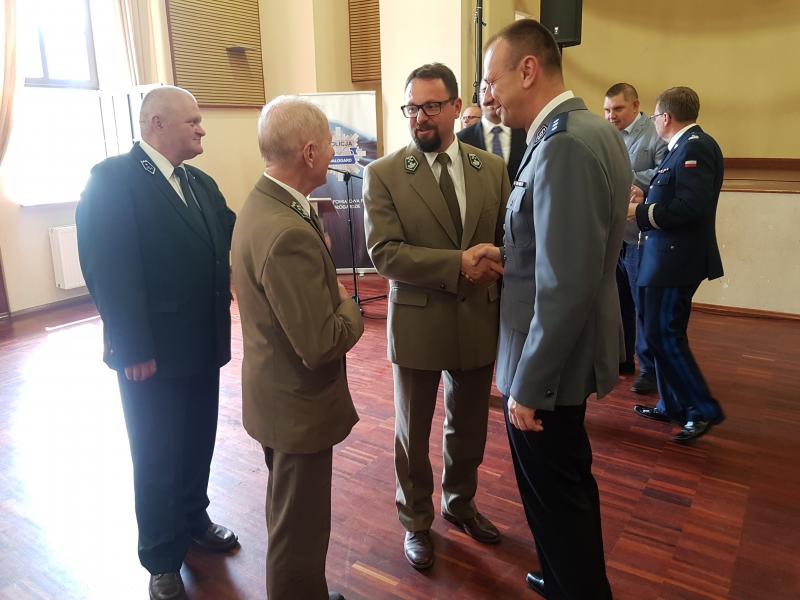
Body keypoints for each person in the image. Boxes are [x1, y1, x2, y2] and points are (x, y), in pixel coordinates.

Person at [479, 19, 631, 599]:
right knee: (560, 491)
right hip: (563, 352)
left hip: (546, 367)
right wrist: (508, 254)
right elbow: (564, 245)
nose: (490, 95)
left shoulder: (562, 144)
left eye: (493, 80)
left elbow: (565, 284)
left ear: (528, 70)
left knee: (558, 496)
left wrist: (528, 385)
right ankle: (560, 574)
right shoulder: (590, 130)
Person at [76, 86, 238, 600]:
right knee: (155, 453)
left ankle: (194, 518)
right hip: (151, 354)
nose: (202, 128)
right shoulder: (113, 180)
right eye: (192, 121)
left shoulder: (199, 182)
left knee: (197, 440)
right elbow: (108, 268)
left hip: (202, 342)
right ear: (156, 124)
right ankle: (161, 558)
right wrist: (132, 348)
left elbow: (233, 236)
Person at [363, 62, 509, 570]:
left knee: (468, 427)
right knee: (412, 433)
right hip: (418, 323)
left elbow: (507, 237)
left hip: (477, 320)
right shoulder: (384, 174)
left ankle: (460, 503)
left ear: (454, 106)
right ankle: (415, 520)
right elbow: (385, 253)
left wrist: (498, 260)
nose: (419, 117)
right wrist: (457, 264)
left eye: (430, 106)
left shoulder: (491, 168)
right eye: (411, 107)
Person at [231, 96, 363, 600]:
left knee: (292, 518)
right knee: (299, 533)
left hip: (276, 394)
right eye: (329, 144)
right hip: (296, 406)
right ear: (309, 152)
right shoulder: (287, 229)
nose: (333, 153)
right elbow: (321, 342)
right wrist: (348, 305)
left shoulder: (264, 202)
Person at [629, 86, 725, 444]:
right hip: (665, 258)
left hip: (676, 259)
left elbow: (691, 206)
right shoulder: (682, 147)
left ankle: (701, 409)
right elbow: (675, 193)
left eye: (655, 116)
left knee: (664, 334)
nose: (655, 122)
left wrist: (640, 212)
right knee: (661, 333)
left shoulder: (695, 147)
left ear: (666, 117)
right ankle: (672, 404)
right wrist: (646, 195)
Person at [604, 83, 668, 393]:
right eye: (606, 110)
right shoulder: (606, 135)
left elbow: (663, 173)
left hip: (641, 237)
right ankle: (623, 357)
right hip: (612, 235)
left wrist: (626, 180)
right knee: (619, 303)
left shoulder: (655, 133)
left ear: (635, 106)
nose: (610, 116)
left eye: (617, 109)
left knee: (644, 305)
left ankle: (650, 369)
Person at [458, 81, 527, 182]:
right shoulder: (461, 139)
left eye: (495, 89)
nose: (489, 97)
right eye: (484, 90)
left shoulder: (526, 134)